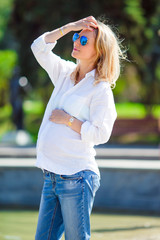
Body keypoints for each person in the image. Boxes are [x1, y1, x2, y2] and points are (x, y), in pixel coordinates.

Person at [31, 15, 125, 240]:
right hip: (51, 175)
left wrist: (68, 120)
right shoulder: (65, 73)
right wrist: (69, 27)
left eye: (84, 40)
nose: (76, 42)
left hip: (77, 177)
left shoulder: (100, 89)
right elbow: (39, 47)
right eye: (76, 37)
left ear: (99, 50)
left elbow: (101, 134)